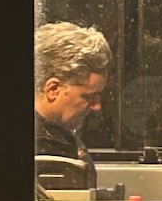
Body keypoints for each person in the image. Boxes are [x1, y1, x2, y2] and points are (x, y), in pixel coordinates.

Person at [34, 21, 111, 177]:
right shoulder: (44, 150)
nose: (97, 106)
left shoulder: (60, 134)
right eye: (89, 96)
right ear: (53, 90)